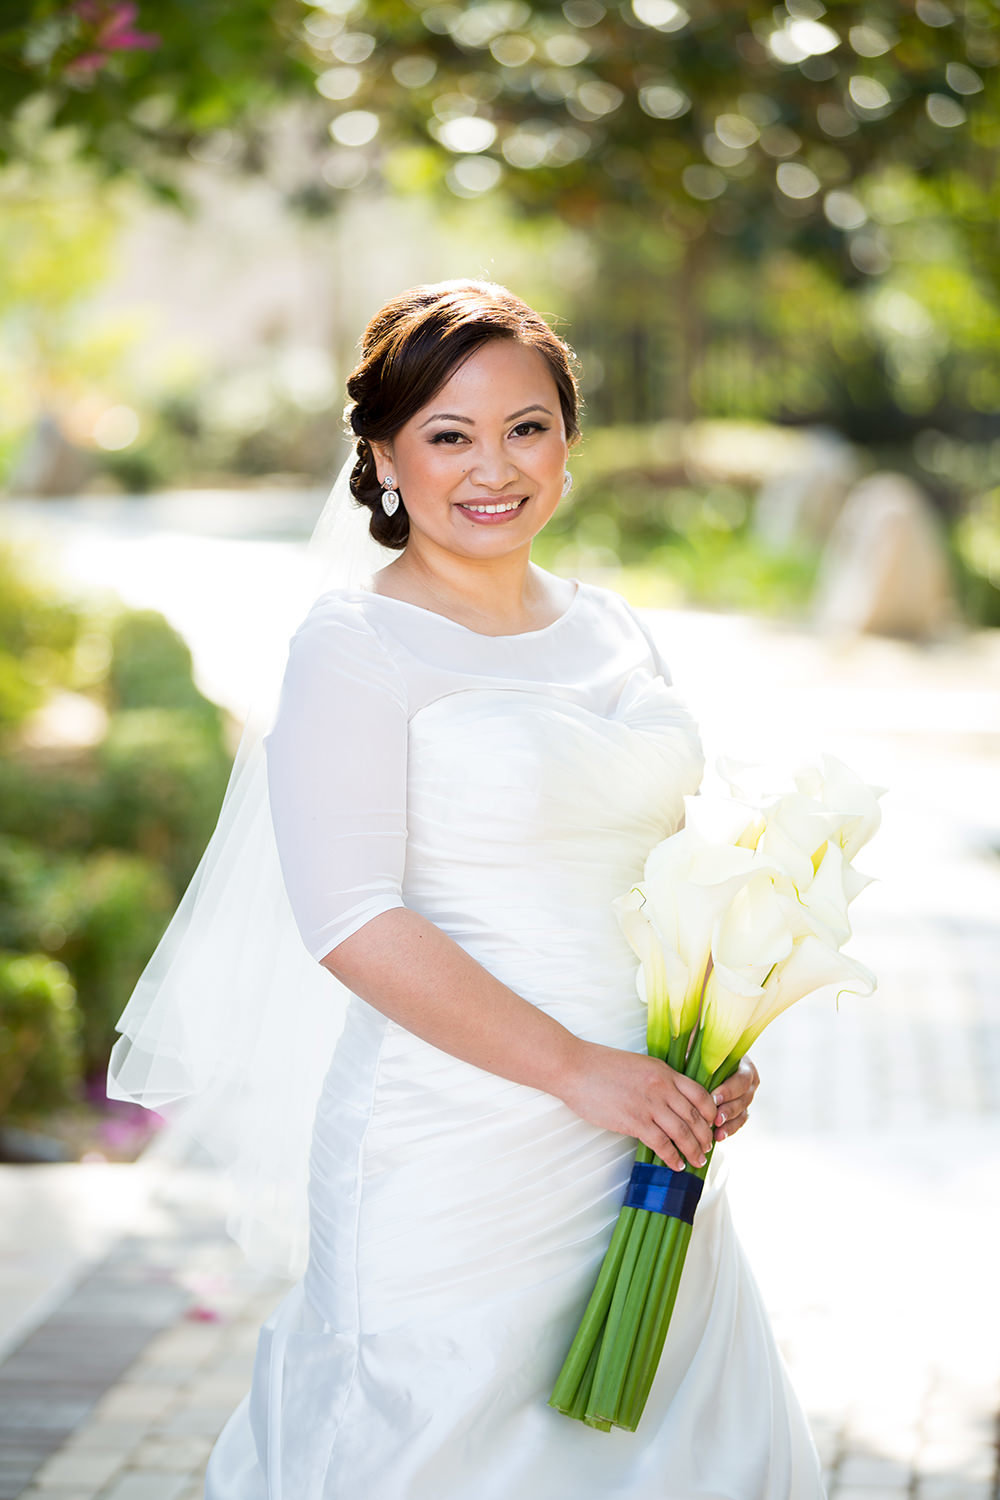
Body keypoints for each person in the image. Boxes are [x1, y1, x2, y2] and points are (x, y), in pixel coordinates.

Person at [195, 279, 825, 1498]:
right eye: (449, 434)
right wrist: (578, 1071)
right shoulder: (354, 646)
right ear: (382, 457)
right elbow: (350, 919)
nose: (495, 467)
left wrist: (714, 1042)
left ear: (567, 443)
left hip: (646, 1125)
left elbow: (668, 878)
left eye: (525, 427)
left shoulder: (616, 631)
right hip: (454, 1145)